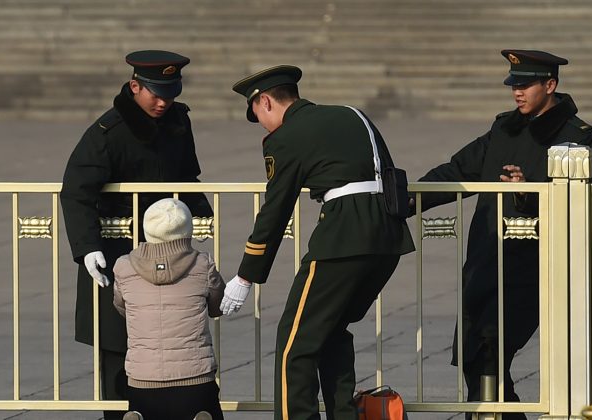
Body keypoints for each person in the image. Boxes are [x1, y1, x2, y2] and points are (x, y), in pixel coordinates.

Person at [410, 50, 592, 419]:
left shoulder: (577, 138)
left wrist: (527, 191)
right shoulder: (503, 128)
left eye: (525, 84)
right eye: (513, 83)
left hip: (534, 267)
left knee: (490, 354)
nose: (517, 92)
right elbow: (457, 172)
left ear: (550, 85)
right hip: (486, 262)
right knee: (473, 358)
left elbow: (575, 201)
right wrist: (402, 200)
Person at [221, 65, 415, 420]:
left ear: (265, 101)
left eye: (258, 116)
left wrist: (246, 276)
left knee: (295, 344)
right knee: (331, 331)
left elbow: (276, 209)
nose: (263, 126)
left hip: (343, 238)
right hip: (389, 237)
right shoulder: (351, 114)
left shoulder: (287, 135)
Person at [60, 50, 213, 420]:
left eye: (171, 93)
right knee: (118, 345)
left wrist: (202, 215)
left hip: (170, 248)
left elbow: (185, 176)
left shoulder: (178, 120)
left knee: (175, 341)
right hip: (116, 250)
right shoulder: (107, 132)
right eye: (156, 94)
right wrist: (87, 249)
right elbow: (77, 189)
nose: (164, 102)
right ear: (134, 87)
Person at [113, 198, 225, 420]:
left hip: (142, 380)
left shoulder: (124, 267)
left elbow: (121, 307)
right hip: (195, 378)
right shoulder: (203, 264)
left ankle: (138, 416)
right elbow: (217, 307)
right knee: (206, 410)